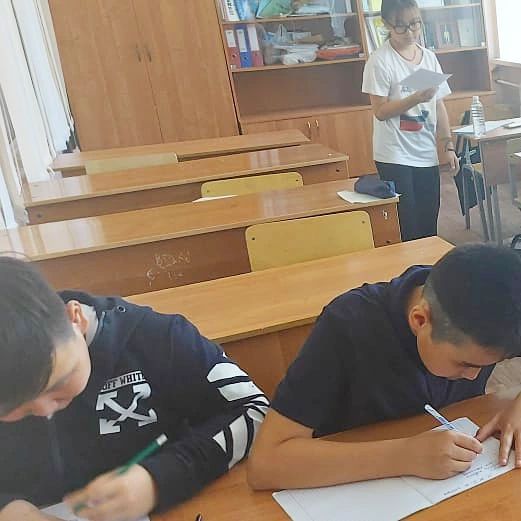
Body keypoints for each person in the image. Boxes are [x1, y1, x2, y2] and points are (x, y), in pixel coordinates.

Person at [0, 257, 268, 521]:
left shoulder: (159, 340)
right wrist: (8, 509)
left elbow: (255, 411)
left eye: (59, 383)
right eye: (16, 408)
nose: (46, 410)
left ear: (75, 318)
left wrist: (158, 479)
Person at [247, 244, 521, 491]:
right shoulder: (347, 326)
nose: (473, 376)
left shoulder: (502, 317)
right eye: (464, 364)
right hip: (352, 485)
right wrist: (404, 456)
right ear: (420, 320)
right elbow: (265, 464)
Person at [362, 0, 458, 241]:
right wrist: (416, 97)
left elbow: (439, 106)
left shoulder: (429, 58)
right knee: (408, 226)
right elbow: (380, 111)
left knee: (429, 225)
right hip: (394, 155)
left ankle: (429, 265)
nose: (410, 32)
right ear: (386, 25)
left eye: (415, 24)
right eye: (401, 26)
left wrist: (448, 145)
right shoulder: (380, 61)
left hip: (426, 152)